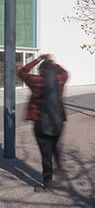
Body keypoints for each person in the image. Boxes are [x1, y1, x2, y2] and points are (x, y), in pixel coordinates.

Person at [18, 54, 68, 192]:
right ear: (53, 69)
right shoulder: (60, 79)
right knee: (55, 144)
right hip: (58, 120)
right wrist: (52, 61)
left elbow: (21, 71)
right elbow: (64, 72)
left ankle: (48, 185)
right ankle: (59, 164)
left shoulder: (36, 81)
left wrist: (38, 59)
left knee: (46, 154)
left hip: (41, 122)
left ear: (40, 71)